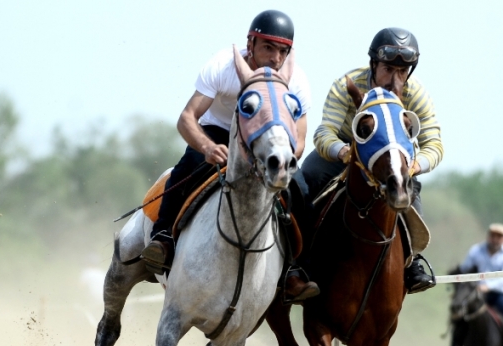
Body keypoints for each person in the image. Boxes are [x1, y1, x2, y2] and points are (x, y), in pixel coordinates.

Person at [140, 9, 320, 304]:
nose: (276, 58)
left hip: (267, 145)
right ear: (251, 45)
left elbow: (298, 140)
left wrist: (279, 159)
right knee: (190, 166)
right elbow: (187, 118)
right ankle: (163, 239)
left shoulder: (296, 80)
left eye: (283, 51)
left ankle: (296, 271)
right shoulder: (223, 65)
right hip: (219, 132)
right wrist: (207, 148)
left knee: (300, 191)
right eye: (268, 48)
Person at [292, 27, 444, 294]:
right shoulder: (346, 84)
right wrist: (343, 152)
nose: (394, 78)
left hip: (391, 160)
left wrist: (414, 166)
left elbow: (434, 144)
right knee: (307, 179)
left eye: (402, 71)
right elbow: (324, 132)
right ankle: (296, 262)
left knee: (410, 190)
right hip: (346, 152)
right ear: (373, 63)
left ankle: (411, 263)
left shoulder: (416, 94)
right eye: (388, 69)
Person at [445, 223, 503, 346]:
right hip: (476, 295)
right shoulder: (476, 250)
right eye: (493, 235)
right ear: (488, 236)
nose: (495, 239)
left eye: (499, 236)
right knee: (458, 317)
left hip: (497, 295)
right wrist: (456, 277)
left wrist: (487, 286)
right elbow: (465, 269)